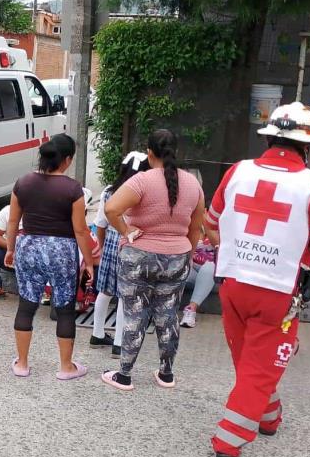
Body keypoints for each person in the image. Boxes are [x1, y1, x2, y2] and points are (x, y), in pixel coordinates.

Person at [205, 102, 310, 457]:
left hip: (233, 282)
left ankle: (269, 415)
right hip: (277, 290)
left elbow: (211, 220)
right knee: (260, 367)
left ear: (270, 136)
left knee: (250, 359)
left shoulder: (238, 171)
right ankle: (227, 442)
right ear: (307, 145)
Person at [101, 129, 205, 391]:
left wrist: (126, 232)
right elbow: (196, 228)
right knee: (168, 315)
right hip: (177, 256)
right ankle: (166, 374)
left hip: (139, 256)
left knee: (135, 314)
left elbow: (111, 208)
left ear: (149, 153)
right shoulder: (193, 184)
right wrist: (188, 256)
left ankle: (124, 375)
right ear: (176, 152)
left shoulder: (142, 181)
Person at [5, 133, 98, 380]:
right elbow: (80, 229)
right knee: (65, 309)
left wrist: (10, 249)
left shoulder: (23, 182)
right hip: (62, 251)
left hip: (29, 247)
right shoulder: (72, 188)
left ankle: (22, 364)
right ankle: (66, 367)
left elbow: (13, 221)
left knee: (27, 305)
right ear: (66, 160)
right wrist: (88, 262)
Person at [90, 150, 150, 357]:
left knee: (105, 291)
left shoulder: (109, 191)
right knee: (126, 296)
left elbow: (100, 224)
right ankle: (118, 342)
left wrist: (102, 245)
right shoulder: (140, 192)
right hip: (130, 246)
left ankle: (97, 334)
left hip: (110, 245)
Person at [180, 236, 217, 328]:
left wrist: (210, 228)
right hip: (191, 267)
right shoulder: (191, 224)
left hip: (212, 273)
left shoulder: (219, 226)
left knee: (210, 266)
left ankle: (191, 309)